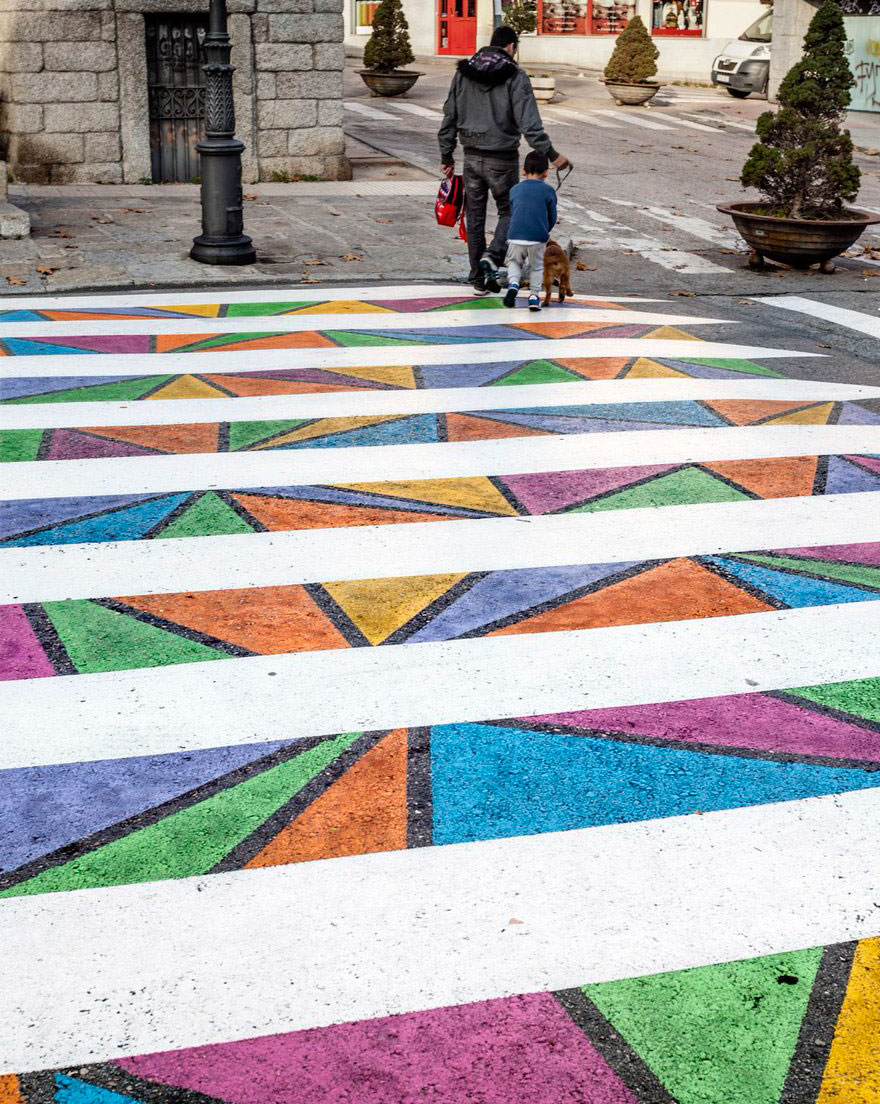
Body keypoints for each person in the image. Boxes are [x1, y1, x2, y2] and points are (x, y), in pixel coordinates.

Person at [437, 25, 571, 296]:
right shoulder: (515, 76)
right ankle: (493, 256)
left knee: (474, 216)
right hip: (502, 157)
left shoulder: (463, 73)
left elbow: (449, 115)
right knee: (509, 211)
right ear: (511, 46)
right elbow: (529, 124)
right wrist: (552, 155)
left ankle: (478, 279)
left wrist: (446, 154)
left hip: (471, 156)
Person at [503, 150, 557, 313]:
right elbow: (552, 217)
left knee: (514, 262)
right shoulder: (548, 191)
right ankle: (534, 297)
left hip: (515, 234)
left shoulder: (515, 189)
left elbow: (513, 212)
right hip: (538, 237)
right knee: (537, 267)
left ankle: (513, 284)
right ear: (546, 172)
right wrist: (545, 230)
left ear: (523, 171)